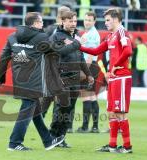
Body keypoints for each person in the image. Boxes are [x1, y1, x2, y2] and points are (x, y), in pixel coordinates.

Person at [0, 12, 64, 151]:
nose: (43, 24)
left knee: (34, 110)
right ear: (34, 24)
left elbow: (3, 58)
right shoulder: (41, 37)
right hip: (33, 82)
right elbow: (57, 50)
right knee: (27, 111)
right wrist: (73, 43)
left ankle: (48, 140)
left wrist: (0, 77)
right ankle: (14, 143)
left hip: (19, 80)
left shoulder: (12, 36)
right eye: (41, 22)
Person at [80, 8, 133, 153]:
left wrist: (115, 66)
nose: (106, 23)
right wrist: (78, 46)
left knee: (120, 112)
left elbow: (128, 51)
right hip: (113, 77)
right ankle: (112, 145)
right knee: (111, 112)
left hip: (122, 76)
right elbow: (96, 51)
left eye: (108, 20)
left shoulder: (122, 32)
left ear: (116, 19)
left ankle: (127, 147)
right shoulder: (110, 36)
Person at [49, 11, 93, 147]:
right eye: (70, 21)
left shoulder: (76, 37)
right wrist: (76, 42)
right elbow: (59, 52)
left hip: (75, 78)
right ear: (62, 21)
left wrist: (88, 74)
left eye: (74, 21)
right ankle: (52, 136)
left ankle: (61, 138)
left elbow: (80, 58)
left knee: (69, 110)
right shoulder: (56, 36)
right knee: (60, 108)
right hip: (61, 77)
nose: (73, 24)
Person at [76, 11, 101, 133]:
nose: (87, 22)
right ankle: (95, 126)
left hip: (89, 65)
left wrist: (84, 71)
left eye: (90, 20)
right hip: (92, 66)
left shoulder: (91, 34)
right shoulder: (89, 33)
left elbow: (90, 55)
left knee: (86, 96)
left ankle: (85, 126)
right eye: (85, 19)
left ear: (94, 21)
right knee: (92, 97)